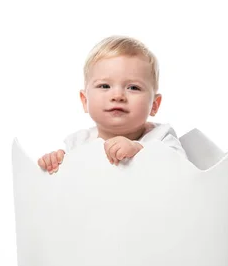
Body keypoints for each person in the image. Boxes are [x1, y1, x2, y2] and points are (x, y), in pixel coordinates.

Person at [37, 35, 187, 174]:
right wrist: (56, 164)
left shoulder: (161, 137)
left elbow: (181, 171)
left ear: (154, 105)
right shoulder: (78, 143)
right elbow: (67, 187)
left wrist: (139, 151)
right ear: (85, 101)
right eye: (104, 86)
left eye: (133, 87)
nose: (118, 96)